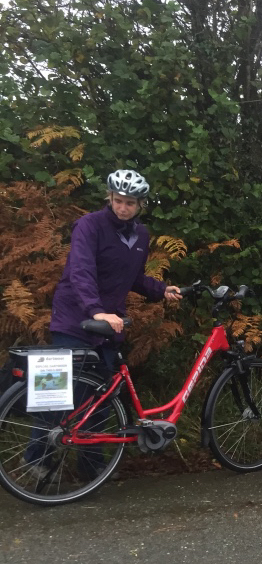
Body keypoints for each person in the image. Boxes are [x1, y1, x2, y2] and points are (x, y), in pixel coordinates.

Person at [24, 170, 182, 479]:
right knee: (56, 394)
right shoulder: (89, 225)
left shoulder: (141, 235)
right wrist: (96, 311)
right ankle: (37, 460)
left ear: (140, 205)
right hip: (73, 320)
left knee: (100, 400)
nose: (123, 207)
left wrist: (161, 289)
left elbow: (133, 277)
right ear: (109, 199)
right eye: (118, 201)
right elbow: (81, 270)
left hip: (109, 326)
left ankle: (90, 468)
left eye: (130, 203)